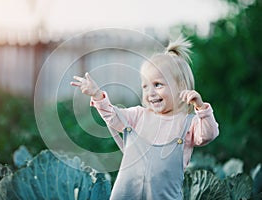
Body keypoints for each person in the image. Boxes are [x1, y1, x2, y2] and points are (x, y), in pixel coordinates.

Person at [70, 36, 219, 200]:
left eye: (157, 85)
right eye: (145, 87)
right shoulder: (138, 115)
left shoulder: (188, 123)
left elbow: (208, 135)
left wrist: (201, 107)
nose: (151, 93)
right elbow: (112, 116)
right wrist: (98, 95)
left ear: (181, 87)